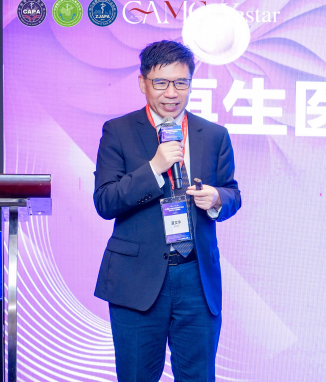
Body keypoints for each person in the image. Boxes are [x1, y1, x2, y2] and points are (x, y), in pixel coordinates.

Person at [93, 40, 241, 381]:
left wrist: (217, 199)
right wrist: (154, 168)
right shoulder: (118, 131)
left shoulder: (214, 135)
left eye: (181, 82)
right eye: (161, 82)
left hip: (196, 277)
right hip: (137, 278)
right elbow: (105, 201)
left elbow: (233, 193)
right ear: (143, 82)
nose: (171, 93)